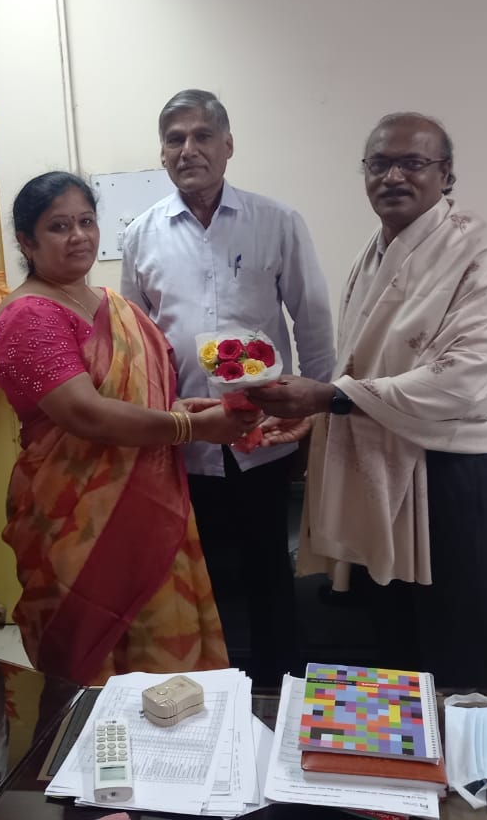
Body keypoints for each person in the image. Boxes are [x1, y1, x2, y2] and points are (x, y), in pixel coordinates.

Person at [250, 112, 487, 687]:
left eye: (413, 163)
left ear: (446, 174)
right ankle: (398, 744)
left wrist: (329, 397)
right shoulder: (370, 256)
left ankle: (460, 744)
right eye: (379, 164)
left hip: (449, 474)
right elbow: (362, 366)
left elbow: (464, 378)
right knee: (389, 643)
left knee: (454, 646)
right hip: (377, 465)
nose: (393, 176)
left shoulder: (485, 256)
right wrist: (317, 414)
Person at [0, 172, 257, 685]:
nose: (78, 236)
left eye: (86, 221)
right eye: (59, 226)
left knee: (164, 653)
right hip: (77, 518)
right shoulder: (30, 315)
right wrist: (193, 427)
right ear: (26, 241)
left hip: (149, 509)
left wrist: (183, 407)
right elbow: (85, 414)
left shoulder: (113, 305)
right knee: (97, 659)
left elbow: (136, 400)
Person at [120, 89, 335, 685]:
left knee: (270, 574)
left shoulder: (277, 222)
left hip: (265, 434)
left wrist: (316, 416)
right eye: (175, 139)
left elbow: (313, 322)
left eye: (202, 136)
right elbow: (138, 344)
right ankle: (210, 697)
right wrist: (158, 422)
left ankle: (279, 690)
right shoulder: (141, 234)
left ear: (228, 146)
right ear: (162, 153)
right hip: (185, 440)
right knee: (196, 580)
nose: (188, 149)